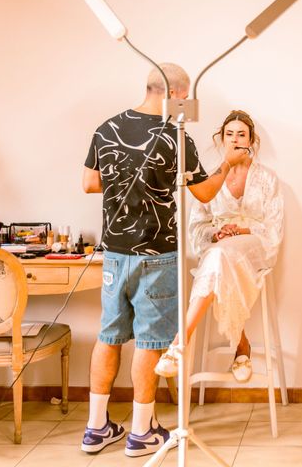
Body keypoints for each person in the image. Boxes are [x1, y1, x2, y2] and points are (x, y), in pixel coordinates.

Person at [80, 64, 247, 457]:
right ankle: (141, 432)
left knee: (109, 336)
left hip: (113, 254)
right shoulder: (176, 136)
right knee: (151, 342)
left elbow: (89, 183)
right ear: (175, 94)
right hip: (157, 254)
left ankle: (96, 428)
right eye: (184, 97)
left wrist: (127, 180)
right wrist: (228, 163)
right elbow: (204, 193)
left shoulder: (106, 128)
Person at [154, 110, 283, 382]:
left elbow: (274, 228)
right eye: (229, 134)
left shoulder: (268, 178)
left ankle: (180, 342)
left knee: (219, 257)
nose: (235, 139)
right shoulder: (209, 178)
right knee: (218, 256)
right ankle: (241, 346)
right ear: (221, 139)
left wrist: (242, 229)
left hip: (254, 246)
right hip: (220, 249)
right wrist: (216, 233)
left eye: (242, 134)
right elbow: (196, 225)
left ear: (252, 140)